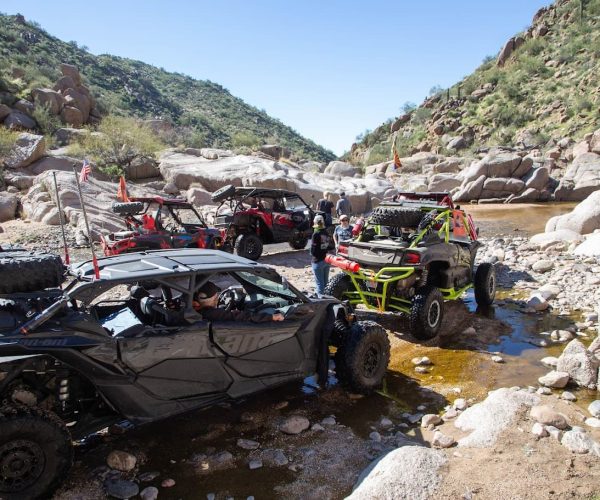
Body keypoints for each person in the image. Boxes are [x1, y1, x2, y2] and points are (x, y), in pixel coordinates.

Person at [192, 281, 284, 322]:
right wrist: (271, 317)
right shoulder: (211, 314)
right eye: (215, 298)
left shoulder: (189, 309)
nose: (217, 300)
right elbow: (242, 317)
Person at [310, 214, 331, 297]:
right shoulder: (326, 232)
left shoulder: (316, 234)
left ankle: (321, 302)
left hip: (317, 261)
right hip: (326, 259)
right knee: (326, 283)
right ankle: (328, 299)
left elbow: (313, 251)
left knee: (319, 284)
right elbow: (330, 246)